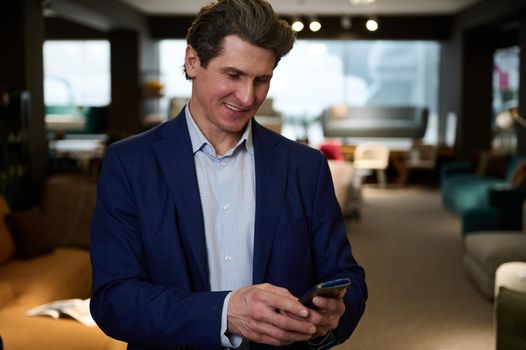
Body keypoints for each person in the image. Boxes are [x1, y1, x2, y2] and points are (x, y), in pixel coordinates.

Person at [89, 0, 367, 349]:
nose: (247, 97)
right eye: (233, 75)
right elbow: (114, 299)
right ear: (193, 61)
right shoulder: (128, 164)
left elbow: (347, 277)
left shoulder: (305, 166)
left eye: (261, 80)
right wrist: (225, 312)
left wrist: (332, 317)